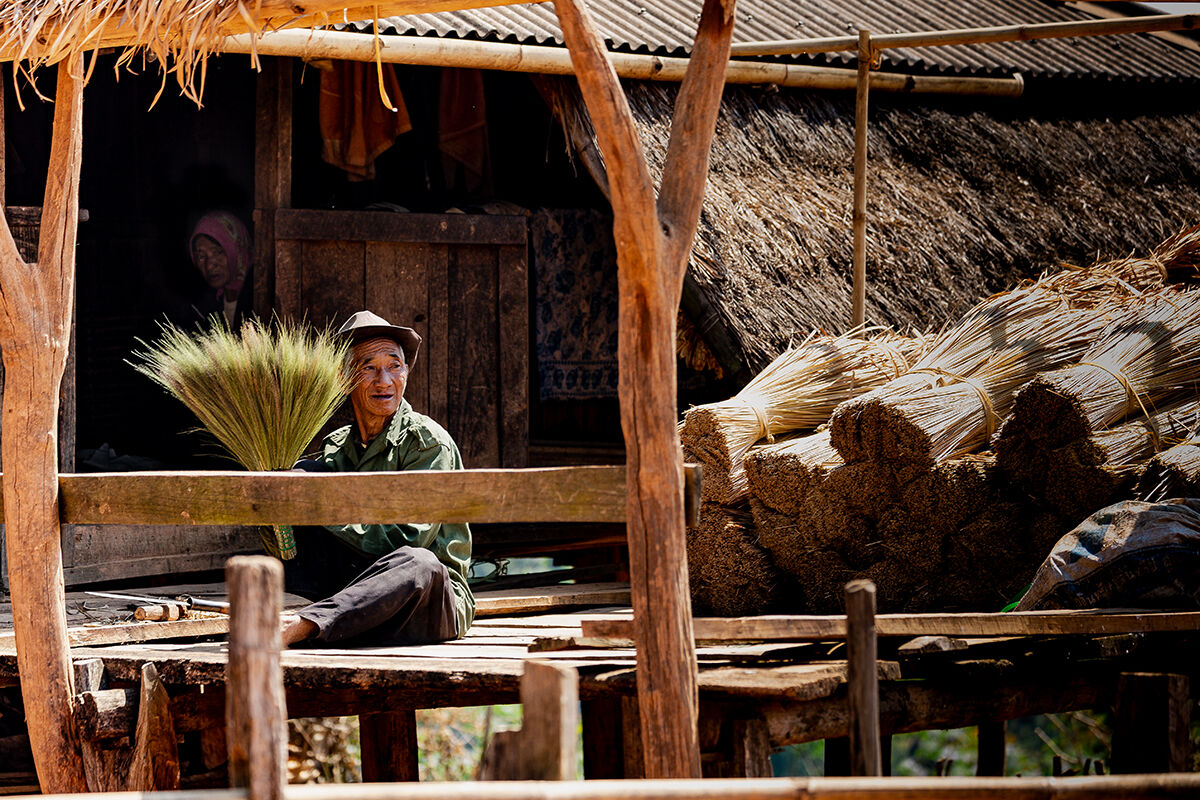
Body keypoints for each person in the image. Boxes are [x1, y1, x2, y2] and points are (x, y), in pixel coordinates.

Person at [280, 310, 474, 646]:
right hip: (358, 595)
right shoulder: (336, 447)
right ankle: (312, 610)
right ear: (344, 379)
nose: (384, 380)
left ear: (407, 372)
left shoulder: (427, 443)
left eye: (394, 366)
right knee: (305, 475)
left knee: (420, 563)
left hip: (426, 605)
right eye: (368, 367)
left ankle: (306, 626)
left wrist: (322, 512)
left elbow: (410, 538)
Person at [188, 211, 253, 327]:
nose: (209, 265)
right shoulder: (202, 308)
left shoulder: (262, 299)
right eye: (201, 256)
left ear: (238, 250)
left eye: (218, 252)